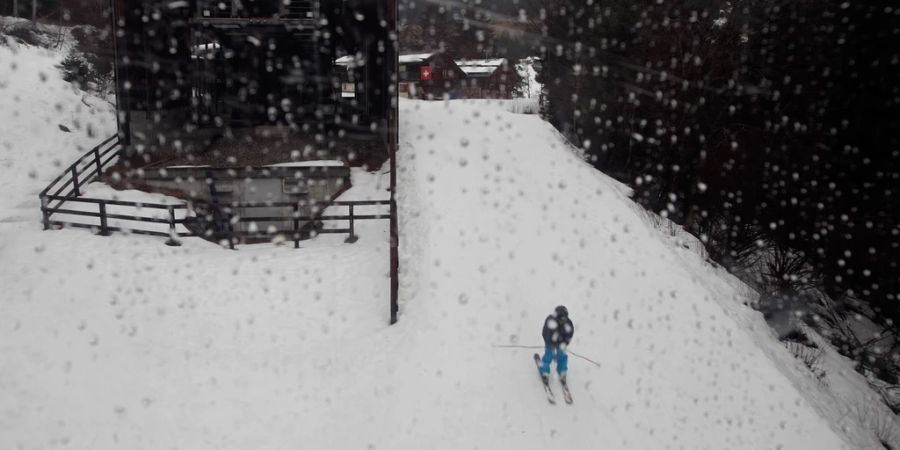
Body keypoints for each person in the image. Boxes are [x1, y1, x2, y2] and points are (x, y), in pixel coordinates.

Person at [540, 305, 574, 381]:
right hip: (550, 343)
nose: (562, 321)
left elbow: (569, 335)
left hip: (561, 343)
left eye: (564, 319)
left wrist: (564, 343)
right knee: (549, 355)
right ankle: (544, 371)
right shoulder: (550, 321)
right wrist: (551, 343)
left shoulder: (568, 323)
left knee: (562, 356)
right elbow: (545, 333)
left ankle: (562, 371)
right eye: (560, 319)